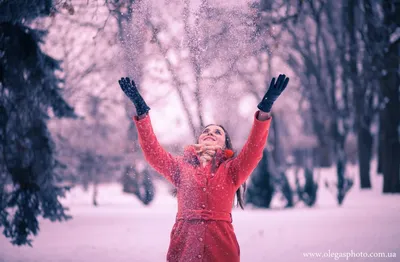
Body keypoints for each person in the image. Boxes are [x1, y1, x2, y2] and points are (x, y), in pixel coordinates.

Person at [118, 74, 289, 262]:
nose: (210, 133)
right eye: (206, 131)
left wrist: (264, 111)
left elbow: (255, 149)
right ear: (199, 139)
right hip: (184, 247)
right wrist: (142, 113)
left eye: (217, 132)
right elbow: (152, 152)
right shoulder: (181, 167)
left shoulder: (232, 170)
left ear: (225, 144)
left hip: (221, 248)